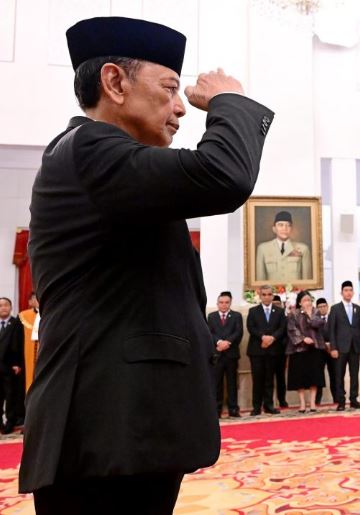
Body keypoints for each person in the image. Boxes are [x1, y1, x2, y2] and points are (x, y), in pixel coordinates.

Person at [23, 16, 273, 511]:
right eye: (169, 88)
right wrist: (229, 100)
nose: (181, 107)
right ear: (115, 83)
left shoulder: (111, 167)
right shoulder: (90, 148)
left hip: (124, 426)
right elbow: (223, 175)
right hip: (105, 428)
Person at [246, 286, 287, 416]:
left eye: (269, 294)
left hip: (274, 350)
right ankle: (256, 407)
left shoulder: (279, 311)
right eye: (264, 294)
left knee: (269, 379)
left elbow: (282, 328)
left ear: (272, 296)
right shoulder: (253, 311)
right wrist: (263, 337)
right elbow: (251, 327)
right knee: (258, 379)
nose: (267, 297)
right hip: (257, 351)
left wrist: (272, 338)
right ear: (260, 296)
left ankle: (268, 405)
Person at [326, 280, 360, 411]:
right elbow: (331, 330)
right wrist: (333, 348)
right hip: (340, 348)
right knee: (339, 375)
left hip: (355, 347)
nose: (348, 292)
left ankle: (354, 399)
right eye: (346, 290)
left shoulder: (358, 308)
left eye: (350, 290)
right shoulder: (335, 309)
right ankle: (341, 401)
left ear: (353, 292)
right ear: (341, 293)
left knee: (354, 374)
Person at [286, 291, 326, 413]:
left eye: (309, 300)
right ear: (299, 303)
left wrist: (309, 314)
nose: (307, 302)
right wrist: (303, 339)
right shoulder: (293, 313)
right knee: (300, 377)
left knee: (314, 376)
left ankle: (312, 403)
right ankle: (302, 403)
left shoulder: (316, 312)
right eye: (304, 300)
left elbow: (318, 324)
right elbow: (291, 329)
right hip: (299, 349)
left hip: (314, 348)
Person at [206, 291, 243, 418]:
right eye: (221, 302)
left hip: (231, 354)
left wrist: (227, 342)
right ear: (217, 303)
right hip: (217, 355)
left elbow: (238, 332)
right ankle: (217, 410)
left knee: (232, 383)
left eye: (227, 302)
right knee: (217, 383)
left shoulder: (236, 316)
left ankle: (233, 409)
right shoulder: (211, 316)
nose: (224, 305)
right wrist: (219, 342)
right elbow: (209, 333)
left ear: (230, 303)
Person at [255, 211, 312, 283]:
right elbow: (260, 281)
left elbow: (307, 282)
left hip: (295, 290)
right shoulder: (263, 249)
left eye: (288, 225)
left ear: (291, 228)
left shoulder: (303, 249)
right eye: (280, 225)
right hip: (271, 290)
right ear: (274, 229)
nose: (284, 228)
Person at [0, 298, 23, 434]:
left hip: (9, 366)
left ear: (11, 307)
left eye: (6, 305)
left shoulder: (16, 323)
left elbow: (18, 344)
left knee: (10, 396)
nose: (3, 307)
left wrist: (17, 363)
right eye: (0, 305)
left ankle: (10, 422)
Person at [314, 297, 339, 406]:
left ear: (327, 307)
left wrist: (331, 345)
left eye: (324, 306)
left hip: (332, 349)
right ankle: (317, 400)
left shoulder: (333, 318)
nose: (322, 308)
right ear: (317, 308)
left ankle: (337, 398)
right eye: (320, 307)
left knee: (334, 374)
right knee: (318, 375)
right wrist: (324, 344)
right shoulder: (314, 320)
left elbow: (337, 332)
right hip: (319, 350)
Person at [271, 295, 289, 408]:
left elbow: (286, 334)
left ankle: (282, 399)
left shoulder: (284, 317)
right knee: (268, 377)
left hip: (281, 351)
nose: (276, 306)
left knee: (281, 377)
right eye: (274, 304)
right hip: (268, 350)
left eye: (278, 304)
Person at [18, 293, 38, 393]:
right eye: (35, 298)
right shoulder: (23, 316)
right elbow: (17, 340)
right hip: (26, 357)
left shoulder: (51, 315)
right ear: (30, 302)